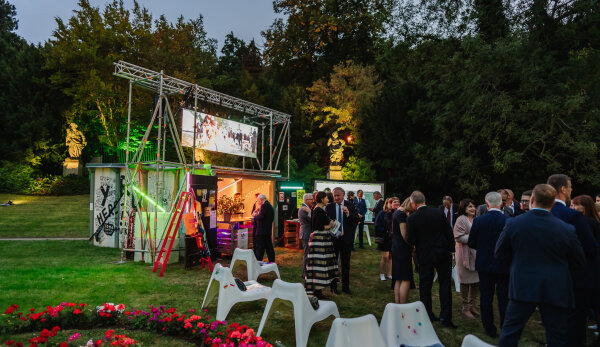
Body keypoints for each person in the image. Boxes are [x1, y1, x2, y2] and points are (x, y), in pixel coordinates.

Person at [495, 184, 586, 347]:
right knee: (556, 337)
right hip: (555, 287)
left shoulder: (514, 224)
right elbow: (579, 261)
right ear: (553, 203)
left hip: (522, 285)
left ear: (531, 200)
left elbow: (500, 253)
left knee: (510, 334)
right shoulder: (566, 229)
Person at [547, 174, 599, 346]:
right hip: (575, 278)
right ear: (562, 189)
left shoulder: (538, 214)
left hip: (546, 277)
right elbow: (590, 248)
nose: (571, 190)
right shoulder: (573, 216)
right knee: (575, 323)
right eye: (570, 187)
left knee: (553, 321)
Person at [406, 190, 456, 328]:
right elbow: (448, 232)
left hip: (424, 255)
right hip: (442, 253)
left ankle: (427, 314)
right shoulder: (438, 213)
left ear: (413, 203)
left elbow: (410, 239)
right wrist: (452, 250)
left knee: (425, 285)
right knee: (445, 284)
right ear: (424, 200)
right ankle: (446, 317)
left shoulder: (412, 218)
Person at [468, 191, 509, 338]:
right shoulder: (508, 220)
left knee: (486, 297)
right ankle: (505, 327)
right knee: (504, 297)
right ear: (502, 204)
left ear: (486, 204)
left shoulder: (479, 221)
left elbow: (472, 242)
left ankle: (489, 328)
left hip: (484, 263)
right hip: (503, 264)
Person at [326, 187, 359, 294]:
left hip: (346, 239)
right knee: (333, 264)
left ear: (343, 195)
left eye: (338, 195)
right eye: (334, 195)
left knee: (345, 264)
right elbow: (326, 221)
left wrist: (348, 213)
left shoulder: (350, 205)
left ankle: (346, 287)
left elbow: (356, 219)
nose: (336, 198)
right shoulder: (329, 206)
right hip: (334, 239)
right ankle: (333, 287)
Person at [305, 191, 339, 298]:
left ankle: (318, 291)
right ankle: (317, 291)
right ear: (321, 199)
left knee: (318, 265)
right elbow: (319, 226)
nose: (328, 200)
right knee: (319, 264)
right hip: (319, 241)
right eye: (326, 198)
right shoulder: (318, 210)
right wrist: (330, 225)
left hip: (319, 240)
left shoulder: (318, 209)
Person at [453, 198, 479, 319]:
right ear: (464, 208)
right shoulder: (460, 220)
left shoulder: (477, 219)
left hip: (476, 253)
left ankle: (472, 304)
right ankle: (465, 307)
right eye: (470, 206)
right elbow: (458, 237)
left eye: (474, 206)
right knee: (464, 282)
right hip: (464, 254)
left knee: (476, 282)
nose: (473, 208)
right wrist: (475, 238)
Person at [391, 198, 412, 303]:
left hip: (396, 246)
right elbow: (405, 235)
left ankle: (397, 305)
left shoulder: (396, 212)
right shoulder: (401, 214)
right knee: (405, 279)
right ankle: (403, 306)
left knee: (398, 278)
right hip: (402, 248)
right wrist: (412, 244)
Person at [374, 197, 397, 281]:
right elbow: (377, 226)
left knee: (391, 257)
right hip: (384, 238)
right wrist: (386, 231)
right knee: (385, 257)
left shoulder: (395, 213)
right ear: (387, 204)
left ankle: (389, 274)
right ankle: (382, 274)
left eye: (393, 203)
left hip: (392, 238)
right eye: (390, 203)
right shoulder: (381, 213)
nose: (392, 205)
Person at [252, 194, 275, 263]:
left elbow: (261, 217)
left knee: (260, 247)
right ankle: (272, 261)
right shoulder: (270, 206)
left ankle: (258, 262)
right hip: (267, 230)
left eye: (258, 201)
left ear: (261, 200)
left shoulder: (264, 206)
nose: (258, 202)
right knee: (269, 247)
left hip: (262, 231)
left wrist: (255, 216)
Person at [298, 193, 314, 279]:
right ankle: (304, 273)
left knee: (307, 253)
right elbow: (312, 219)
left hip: (306, 233)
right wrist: (311, 212)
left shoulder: (305, 208)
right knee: (306, 254)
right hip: (306, 234)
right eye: (311, 199)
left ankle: (307, 271)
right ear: (307, 200)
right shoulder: (304, 209)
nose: (313, 201)